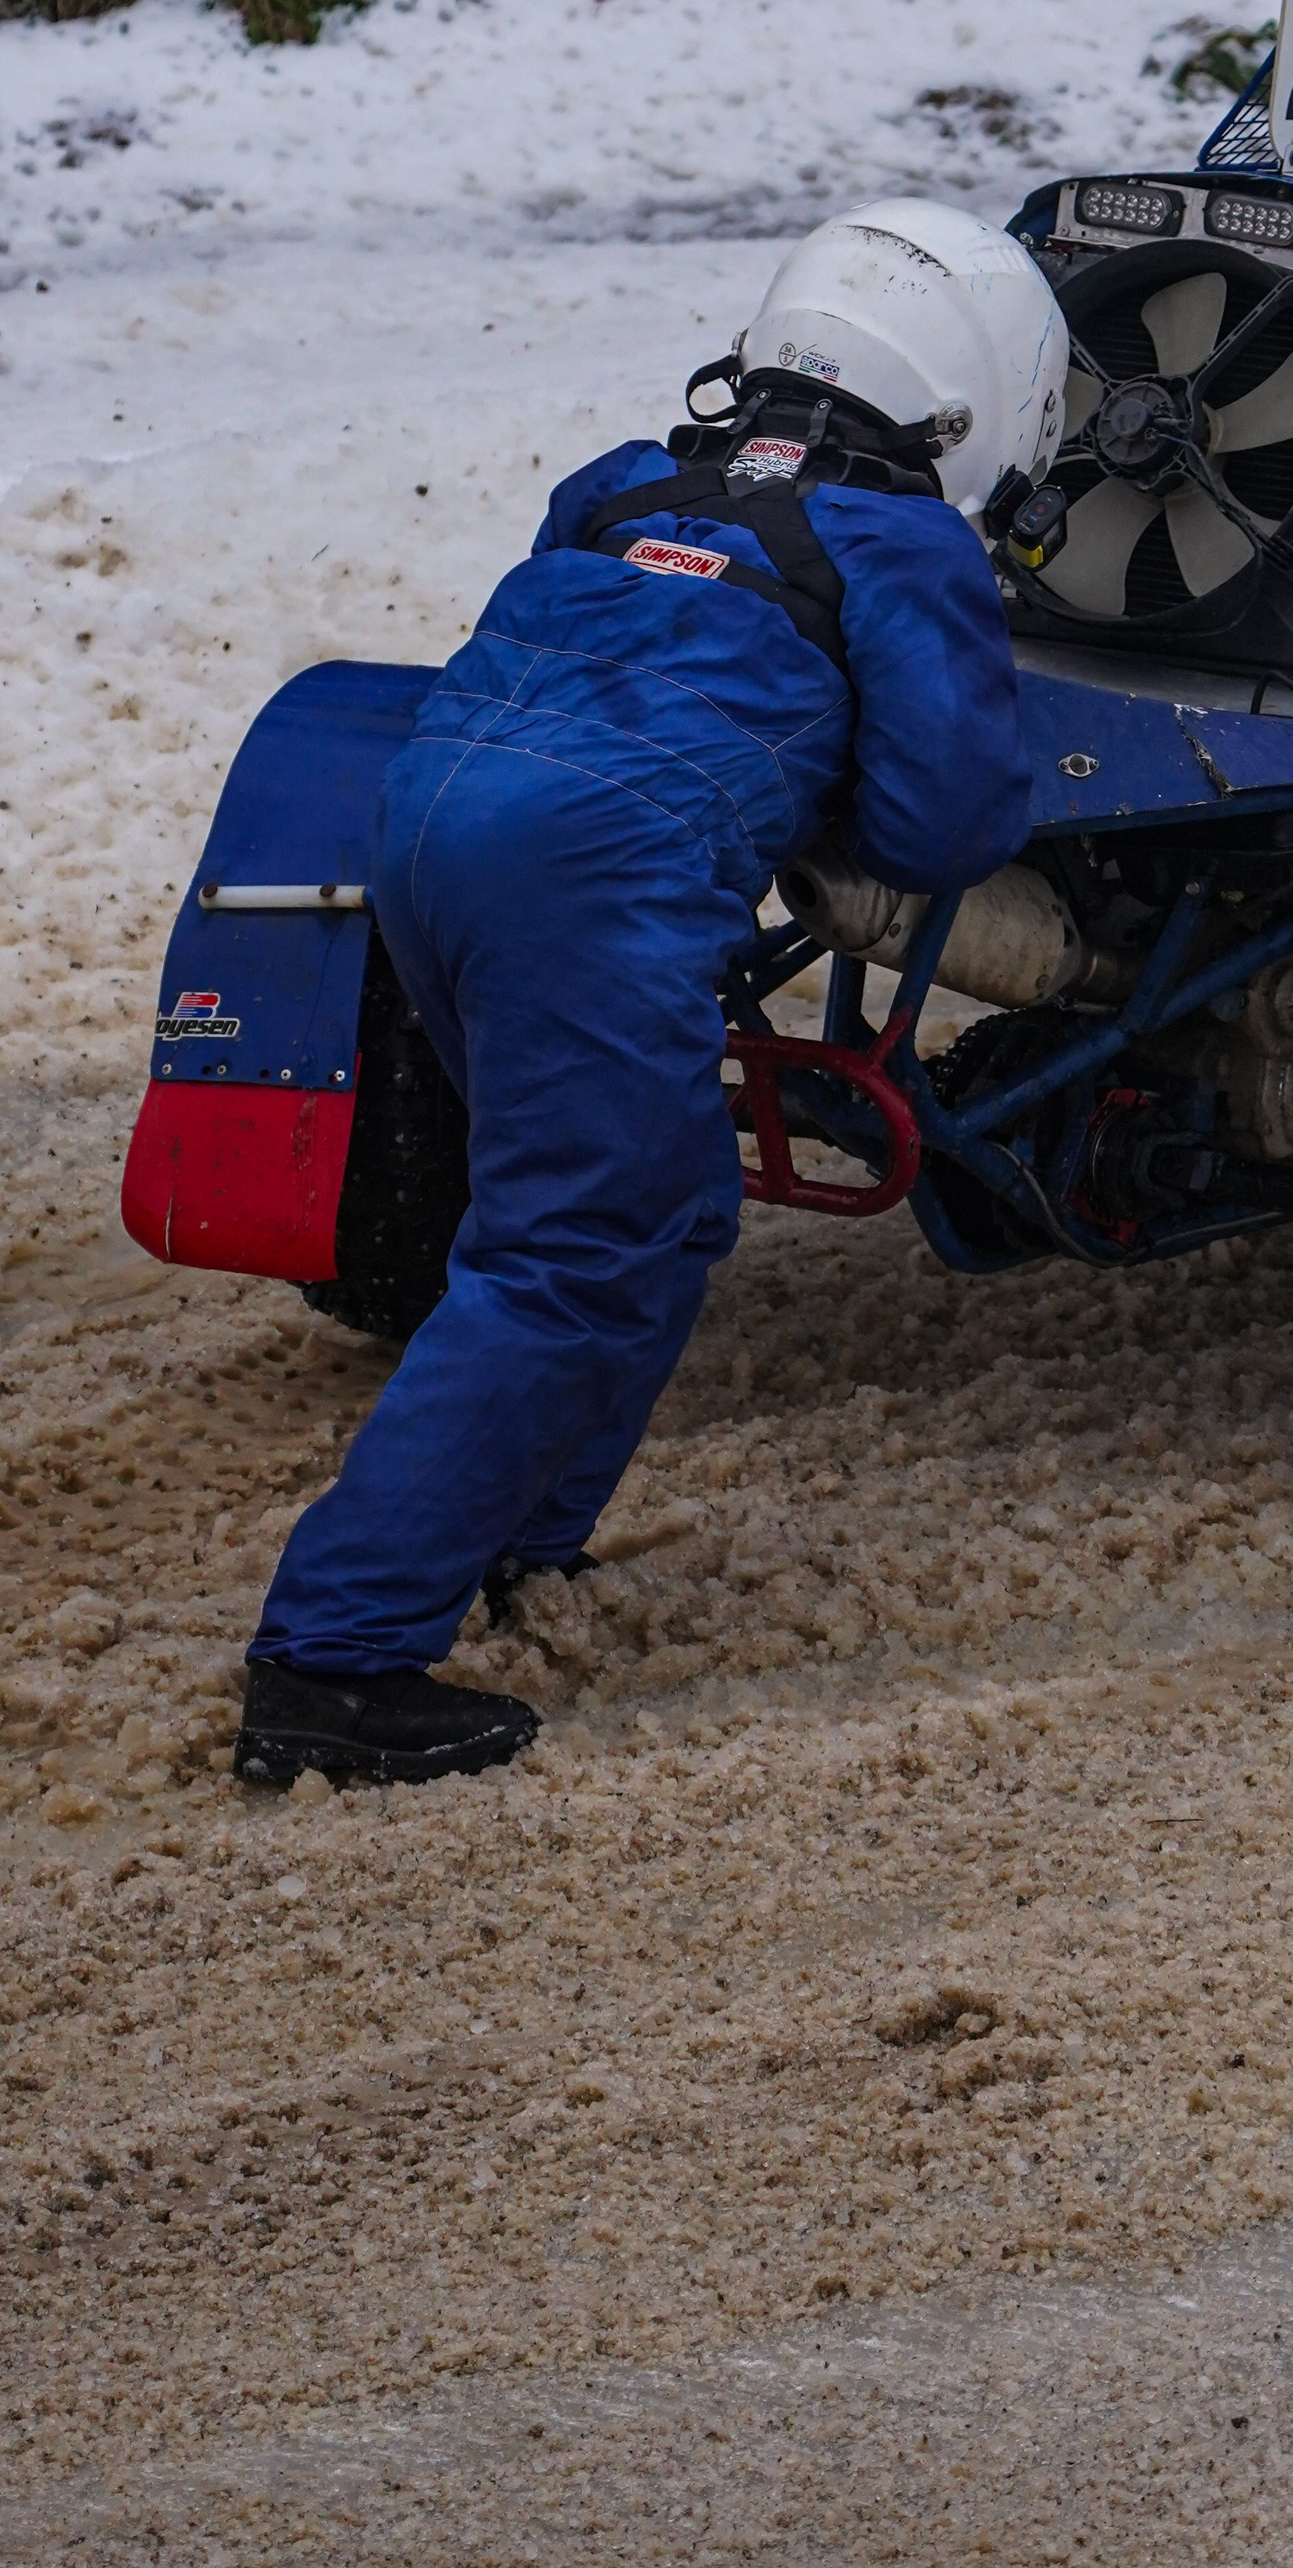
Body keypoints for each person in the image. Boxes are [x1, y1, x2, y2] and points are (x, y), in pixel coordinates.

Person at [234, 200, 1070, 1789]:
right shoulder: (900, 545)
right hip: (585, 871)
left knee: (661, 1209)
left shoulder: (624, 482)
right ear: (972, 410)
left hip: (428, 822)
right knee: (565, 1255)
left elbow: (604, 631)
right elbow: (944, 827)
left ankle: (521, 1538)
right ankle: (334, 1663)